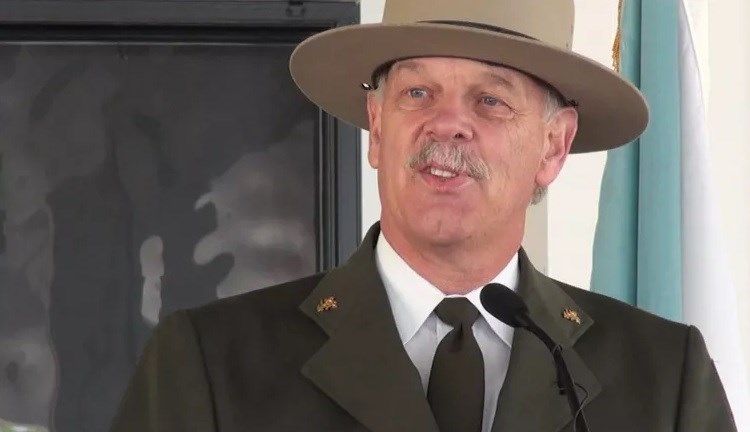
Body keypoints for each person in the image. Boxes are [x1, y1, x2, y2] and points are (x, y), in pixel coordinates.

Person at [111, 0, 737, 431]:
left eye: (490, 101)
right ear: (377, 126)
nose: (448, 124)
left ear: (553, 146)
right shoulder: (211, 364)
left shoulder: (663, 378)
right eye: (418, 93)